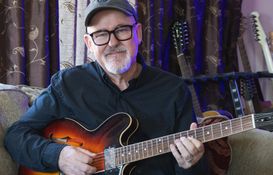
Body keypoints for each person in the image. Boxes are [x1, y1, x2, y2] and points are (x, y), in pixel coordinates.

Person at [4, 0, 210, 174]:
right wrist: (59, 156)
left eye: (121, 30)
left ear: (137, 33)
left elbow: (191, 164)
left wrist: (189, 164)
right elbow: (16, 135)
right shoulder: (68, 83)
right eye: (100, 34)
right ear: (89, 43)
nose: (112, 42)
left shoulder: (173, 89)